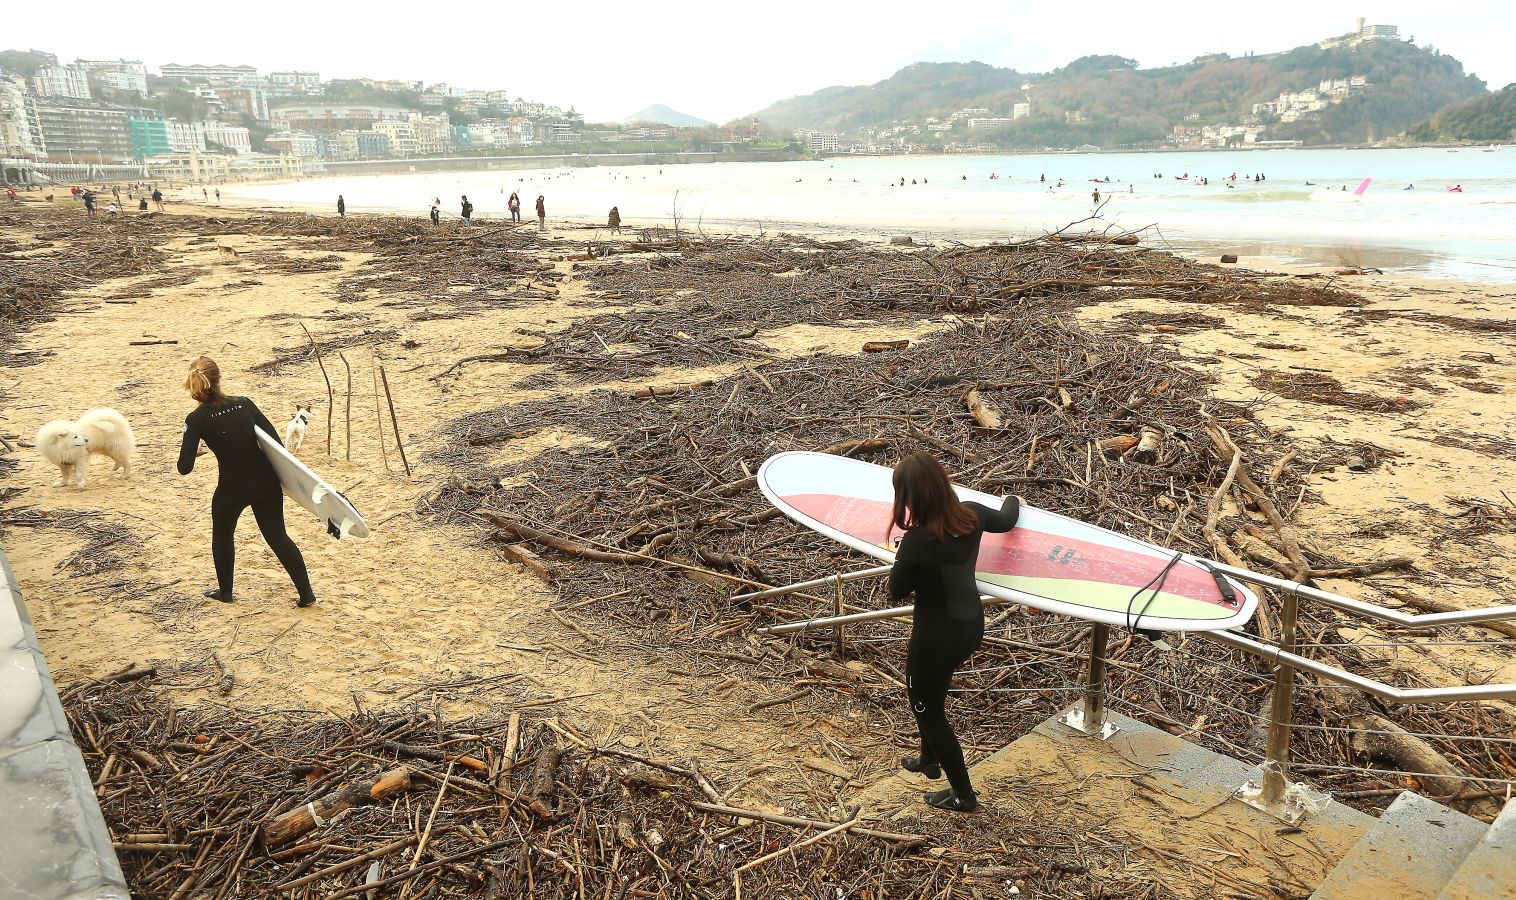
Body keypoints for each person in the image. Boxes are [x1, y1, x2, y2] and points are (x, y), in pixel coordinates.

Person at [888, 454, 1021, 812]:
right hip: (969, 627)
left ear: (911, 497)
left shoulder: (917, 540)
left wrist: (904, 557)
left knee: (928, 710)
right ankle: (928, 759)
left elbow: (896, 591)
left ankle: (963, 794)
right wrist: (1013, 498)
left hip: (934, 639)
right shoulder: (972, 514)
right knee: (930, 694)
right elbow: (1007, 519)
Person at [178, 357, 316, 608]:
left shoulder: (196, 419)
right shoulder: (244, 403)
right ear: (219, 378)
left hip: (232, 488)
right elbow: (276, 445)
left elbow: (184, 468)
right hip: (266, 483)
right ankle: (306, 594)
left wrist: (194, 451)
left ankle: (225, 592)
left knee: (223, 535)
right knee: (278, 537)